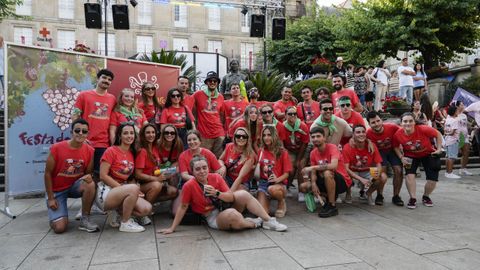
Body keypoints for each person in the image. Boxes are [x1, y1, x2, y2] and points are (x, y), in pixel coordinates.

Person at [159, 156, 287, 234]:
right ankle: (254, 223)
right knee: (233, 216)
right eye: (197, 169)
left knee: (242, 193)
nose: (202, 171)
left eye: (204, 167)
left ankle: (269, 221)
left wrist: (216, 193)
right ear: (192, 171)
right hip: (211, 216)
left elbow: (231, 197)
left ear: (208, 168)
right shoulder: (189, 185)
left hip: (224, 205)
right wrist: (172, 228)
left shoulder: (216, 177)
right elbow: (183, 207)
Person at [44, 118, 98, 233]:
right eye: (77, 130)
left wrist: (90, 176)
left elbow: (88, 173)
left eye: (84, 131)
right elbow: (47, 173)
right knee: (60, 228)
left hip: (74, 186)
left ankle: (85, 219)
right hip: (57, 190)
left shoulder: (90, 150)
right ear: (71, 132)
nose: (80, 133)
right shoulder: (57, 148)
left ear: (87, 134)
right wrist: (51, 198)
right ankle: (56, 217)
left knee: (90, 184)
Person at [98, 123, 152, 232]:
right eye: (125, 133)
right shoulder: (111, 151)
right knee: (133, 188)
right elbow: (103, 176)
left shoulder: (131, 153)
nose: (129, 136)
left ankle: (118, 212)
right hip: (106, 192)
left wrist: (135, 190)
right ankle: (125, 223)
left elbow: (130, 177)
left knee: (146, 209)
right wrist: (125, 189)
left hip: (123, 189)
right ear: (119, 136)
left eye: (132, 133)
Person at [393, 112, 443, 209]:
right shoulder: (398, 134)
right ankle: (413, 198)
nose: (408, 123)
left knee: (432, 179)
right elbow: (395, 146)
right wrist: (401, 157)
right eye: (405, 121)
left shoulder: (423, 129)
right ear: (401, 123)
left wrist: (439, 149)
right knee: (409, 175)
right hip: (410, 155)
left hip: (428, 154)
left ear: (414, 122)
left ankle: (426, 196)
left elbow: (438, 134)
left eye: (410, 121)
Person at [299, 127, 352, 217]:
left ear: (324, 138)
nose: (315, 139)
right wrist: (313, 183)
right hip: (325, 179)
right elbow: (314, 172)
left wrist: (312, 167)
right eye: (313, 137)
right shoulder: (313, 153)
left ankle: (332, 206)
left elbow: (333, 166)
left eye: (318, 136)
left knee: (327, 172)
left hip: (341, 181)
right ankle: (328, 197)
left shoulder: (332, 147)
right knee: (304, 186)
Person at [72, 69, 116, 176]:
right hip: (85, 141)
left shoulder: (112, 99)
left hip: (103, 143)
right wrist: (80, 136)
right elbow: (75, 116)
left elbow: (114, 120)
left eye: (109, 79)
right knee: (81, 173)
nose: (106, 81)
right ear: (98, 78)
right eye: (104, 78)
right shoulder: (84, 95)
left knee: (98, 174)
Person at [135, 124, 179, 225]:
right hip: (142, 184)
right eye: (148, 132)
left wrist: (168, 171)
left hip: (153, 180)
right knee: (156, 185)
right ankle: (143, 213)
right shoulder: (142, 151)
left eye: (153, 132)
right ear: (143, 134)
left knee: (173, 191)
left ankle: (145, 204)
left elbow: (156, 167)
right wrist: (156, 179)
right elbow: (138, 174)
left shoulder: (154, 148)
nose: (151, 135)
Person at [174, 130, 226, 214]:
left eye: (194, 139)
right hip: (188, 182)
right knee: (175, 212)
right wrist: (199, 180)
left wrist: (222, 167)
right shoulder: (183, 155)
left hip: (207, 181)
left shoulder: (208, 153)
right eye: (189, 140)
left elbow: (218, 171)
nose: (192, 142)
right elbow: (184, 175)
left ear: (200, 141)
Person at [366, 111, 404, 206]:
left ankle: (396, 196)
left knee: (398, 170)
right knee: (381, 172)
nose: (377, 124)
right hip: (379, 152)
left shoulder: (392, 127)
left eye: (378, 121)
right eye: (373, 122)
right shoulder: (368, 133)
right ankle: (380, 195)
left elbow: (404, 132)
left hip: (392, 150)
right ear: (369, 124)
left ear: (382, 120)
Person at [343, 125, 387, 205]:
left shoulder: (371, 145)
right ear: (353, 135)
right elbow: (346, 168)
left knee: (382, 177)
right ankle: (348, 193)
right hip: (352, 171)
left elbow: (378, 163)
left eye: (363, 132)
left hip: (366, 170)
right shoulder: (347, 147)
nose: (361, 134)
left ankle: (368, 193)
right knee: (345, 175)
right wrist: (361, 179)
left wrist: (375, 176)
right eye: (358, 132)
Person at [256, 126, 292, 218]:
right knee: (263, 214)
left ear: (274, 136)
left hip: (278, 183)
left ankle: (281, 202)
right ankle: (267, 199)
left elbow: (287, 174)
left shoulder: (282, 152)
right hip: (263, 183)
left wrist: (276, 180)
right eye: (264, 135)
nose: (266, 138)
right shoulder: (261, 151)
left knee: (272, 189)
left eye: (269, 135)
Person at [193, 71, 225, 158]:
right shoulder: (198, 94)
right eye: (210, 80)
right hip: (204, 134)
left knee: (218, 159)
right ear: (207, 82)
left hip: (219, 134)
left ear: (217, 83)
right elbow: (189, 107)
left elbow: (222, 115)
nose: (212, 82)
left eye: (215, 81)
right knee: (203, 159)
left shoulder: (221, 97)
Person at [282, 106, 309, 201]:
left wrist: (298, 159)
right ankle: (287, 187)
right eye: (290, 114)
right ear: (285, 115)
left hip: (302, 149)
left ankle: (301, 191)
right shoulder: (282, 127)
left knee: (300, 166)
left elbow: (304, 144)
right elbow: (282, 144)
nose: (292, 115)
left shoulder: (302, 126)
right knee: (291, 168)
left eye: (294, 114)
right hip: (289, 150)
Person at [219, 127, 257, 191]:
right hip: (228, 178)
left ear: (248, 139)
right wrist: (223, 166)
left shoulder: (250, 155)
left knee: (238, 192)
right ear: (234, 137)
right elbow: (220, 159)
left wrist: (229, 194)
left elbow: (240, 177)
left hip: (241, 182)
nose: (241, 138)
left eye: (244, 136)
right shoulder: (229, 146)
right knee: (218, 173)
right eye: (238, 136)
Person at [455, 101, 473, 176]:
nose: (463, 106)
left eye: (463, 104)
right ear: (457, 106)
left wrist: (468, 134)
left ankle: (463, 169)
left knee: (466, 152)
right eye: (462, 105)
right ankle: (449, 171)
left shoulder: (464, 116)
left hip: (464, 136)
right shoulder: (454, 115)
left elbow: (466, 126)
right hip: (456, 136)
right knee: (453, 154)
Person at [444, 105, 461, 179]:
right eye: (457, 110)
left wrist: (446, 134)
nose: (458, 112)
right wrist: (448, 133)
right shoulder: (455, 120)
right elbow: (453, 132)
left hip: (447, 140)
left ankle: (447, 172)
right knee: (452, 157)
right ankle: (450, 172)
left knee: (448, 157)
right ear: (454, 112)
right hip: (453, 140)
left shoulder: (448, 119)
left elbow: (445, 130)